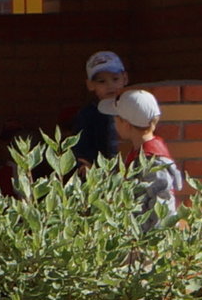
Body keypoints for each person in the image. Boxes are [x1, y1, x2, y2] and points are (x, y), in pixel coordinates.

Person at [115, 87, 182, 221]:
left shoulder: (154, 161)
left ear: (126, 125)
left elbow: (162, 211)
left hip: (149, 239)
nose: (114, 123)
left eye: (116, 119)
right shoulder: (139, 152)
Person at [68, 50, 128, 164]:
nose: (110, 86)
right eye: (102, 81)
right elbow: (80, 149)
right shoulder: (87, 115)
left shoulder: (133, 109)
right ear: (90, 85)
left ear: (125, 78)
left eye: (115, 79)